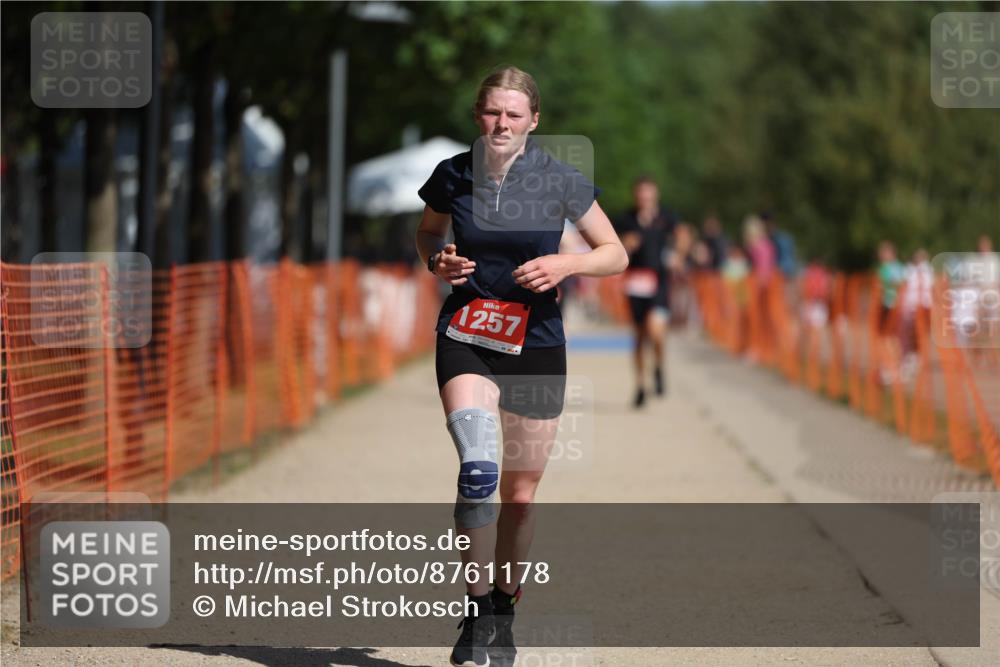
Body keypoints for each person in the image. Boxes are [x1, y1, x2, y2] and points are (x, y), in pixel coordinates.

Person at [415, 65, 628, 667]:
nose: (501, 123)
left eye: (513, 113)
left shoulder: (560, 179)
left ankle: (504, 607)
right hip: (467, 333)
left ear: (534, 120)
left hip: (536, 341)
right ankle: (476, 609)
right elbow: (427, 233)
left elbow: (614, 253)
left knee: (522, 495)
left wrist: (567, 265)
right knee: (478, 469)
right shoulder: (453, 173)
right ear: (477, 116)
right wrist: (437, 260)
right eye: (491, 112)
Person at [615, 176, 675, 407]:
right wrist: (625, 245)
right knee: (639, 336)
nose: (644, 197)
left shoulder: (666, 218)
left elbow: (682, 236)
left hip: (659, 282)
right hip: (636, 283)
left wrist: (679, 255)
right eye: (640, 193)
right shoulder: (626, 220)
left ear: (655, 194)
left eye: (648, 192)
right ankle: (640, 385)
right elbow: (613, 247)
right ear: (635, 195)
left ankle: (658, 366)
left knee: (656, 331)